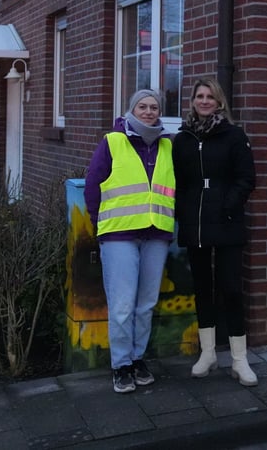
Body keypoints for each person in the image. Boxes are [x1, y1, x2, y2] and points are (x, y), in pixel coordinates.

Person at [84, 88, 175, 394]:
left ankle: (138, 359)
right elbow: (93, 186)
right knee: (122, 304)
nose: (149, 111)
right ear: (131, 110)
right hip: (119, 234)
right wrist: (101, 224)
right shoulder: (112, 141)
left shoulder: (167, 146)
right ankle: (121, 365)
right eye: (142, 107)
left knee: (146, 304)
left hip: (156, 234)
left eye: (154, 107)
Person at [173, 78, 258, 385]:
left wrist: (228, 205)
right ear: (193, 100)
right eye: (199, 96)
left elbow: (246, 178)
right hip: (195, 224)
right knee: (202, 289)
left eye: (210, 96)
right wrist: (183, 210)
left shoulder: (234, 136)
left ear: (219, 102)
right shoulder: (181, 139)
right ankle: (207, 353)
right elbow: (178, 183)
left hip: (227, 222)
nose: (204, 100)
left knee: (231, 289)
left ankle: (239, 359)